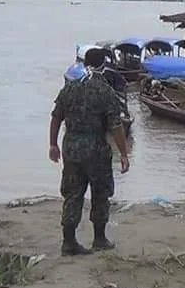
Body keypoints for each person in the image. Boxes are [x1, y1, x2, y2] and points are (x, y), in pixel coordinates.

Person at [50, 48, 130, 256]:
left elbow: (56, 117)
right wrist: (123, 154)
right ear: (103, 64)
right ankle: (99, 239)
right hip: (96, 150)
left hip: (71, 149)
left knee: (72, 194)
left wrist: (53, 145)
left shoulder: (69, 88)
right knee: (101, 193)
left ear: (84, 62)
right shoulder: (104, 91)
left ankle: (69, 242)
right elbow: (116, 125)